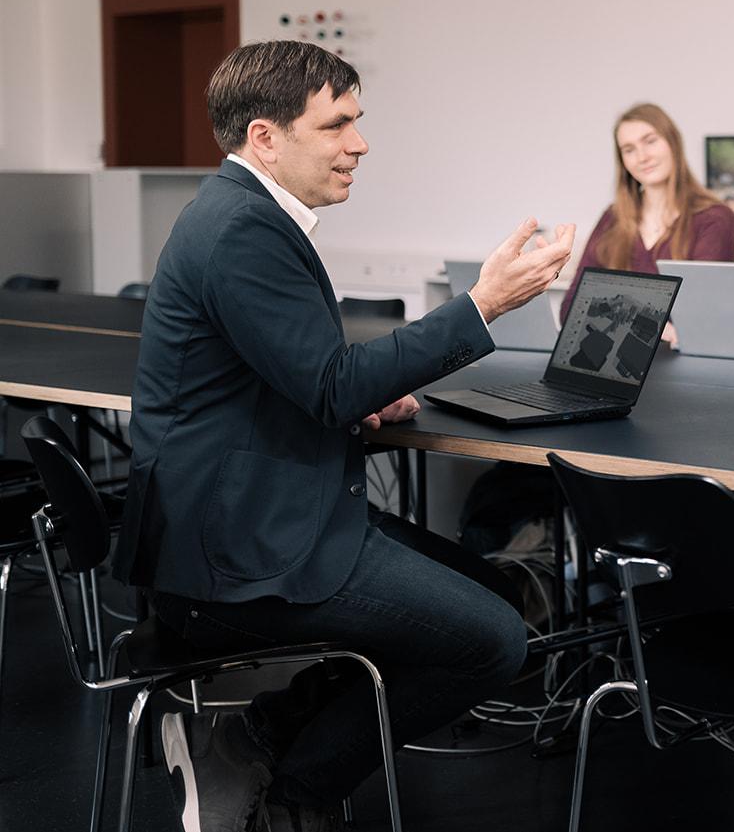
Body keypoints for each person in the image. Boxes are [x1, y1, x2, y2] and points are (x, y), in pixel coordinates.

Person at [112, 41, 575, 832]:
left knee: (486, 597)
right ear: (265, 137)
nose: (358, 143)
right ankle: (297, 792)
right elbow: (329, 385)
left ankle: (250, 734)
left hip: (247, 515)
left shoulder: (239, 213)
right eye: (336, 125)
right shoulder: (242, 232)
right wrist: (482, 305)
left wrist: (359, 397)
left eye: (356, 122)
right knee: (494, 641)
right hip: (237, 550)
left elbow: (299, 377)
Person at [560, 103, 734, 334]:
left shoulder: (714, 219)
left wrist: (611, 311)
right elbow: (571, 310)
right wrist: (657, 327)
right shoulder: (612, 219)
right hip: (611, 365)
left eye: (650, 141)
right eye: (629, 149)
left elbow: (697, 320)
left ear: (673, 142)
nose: (642, 156)